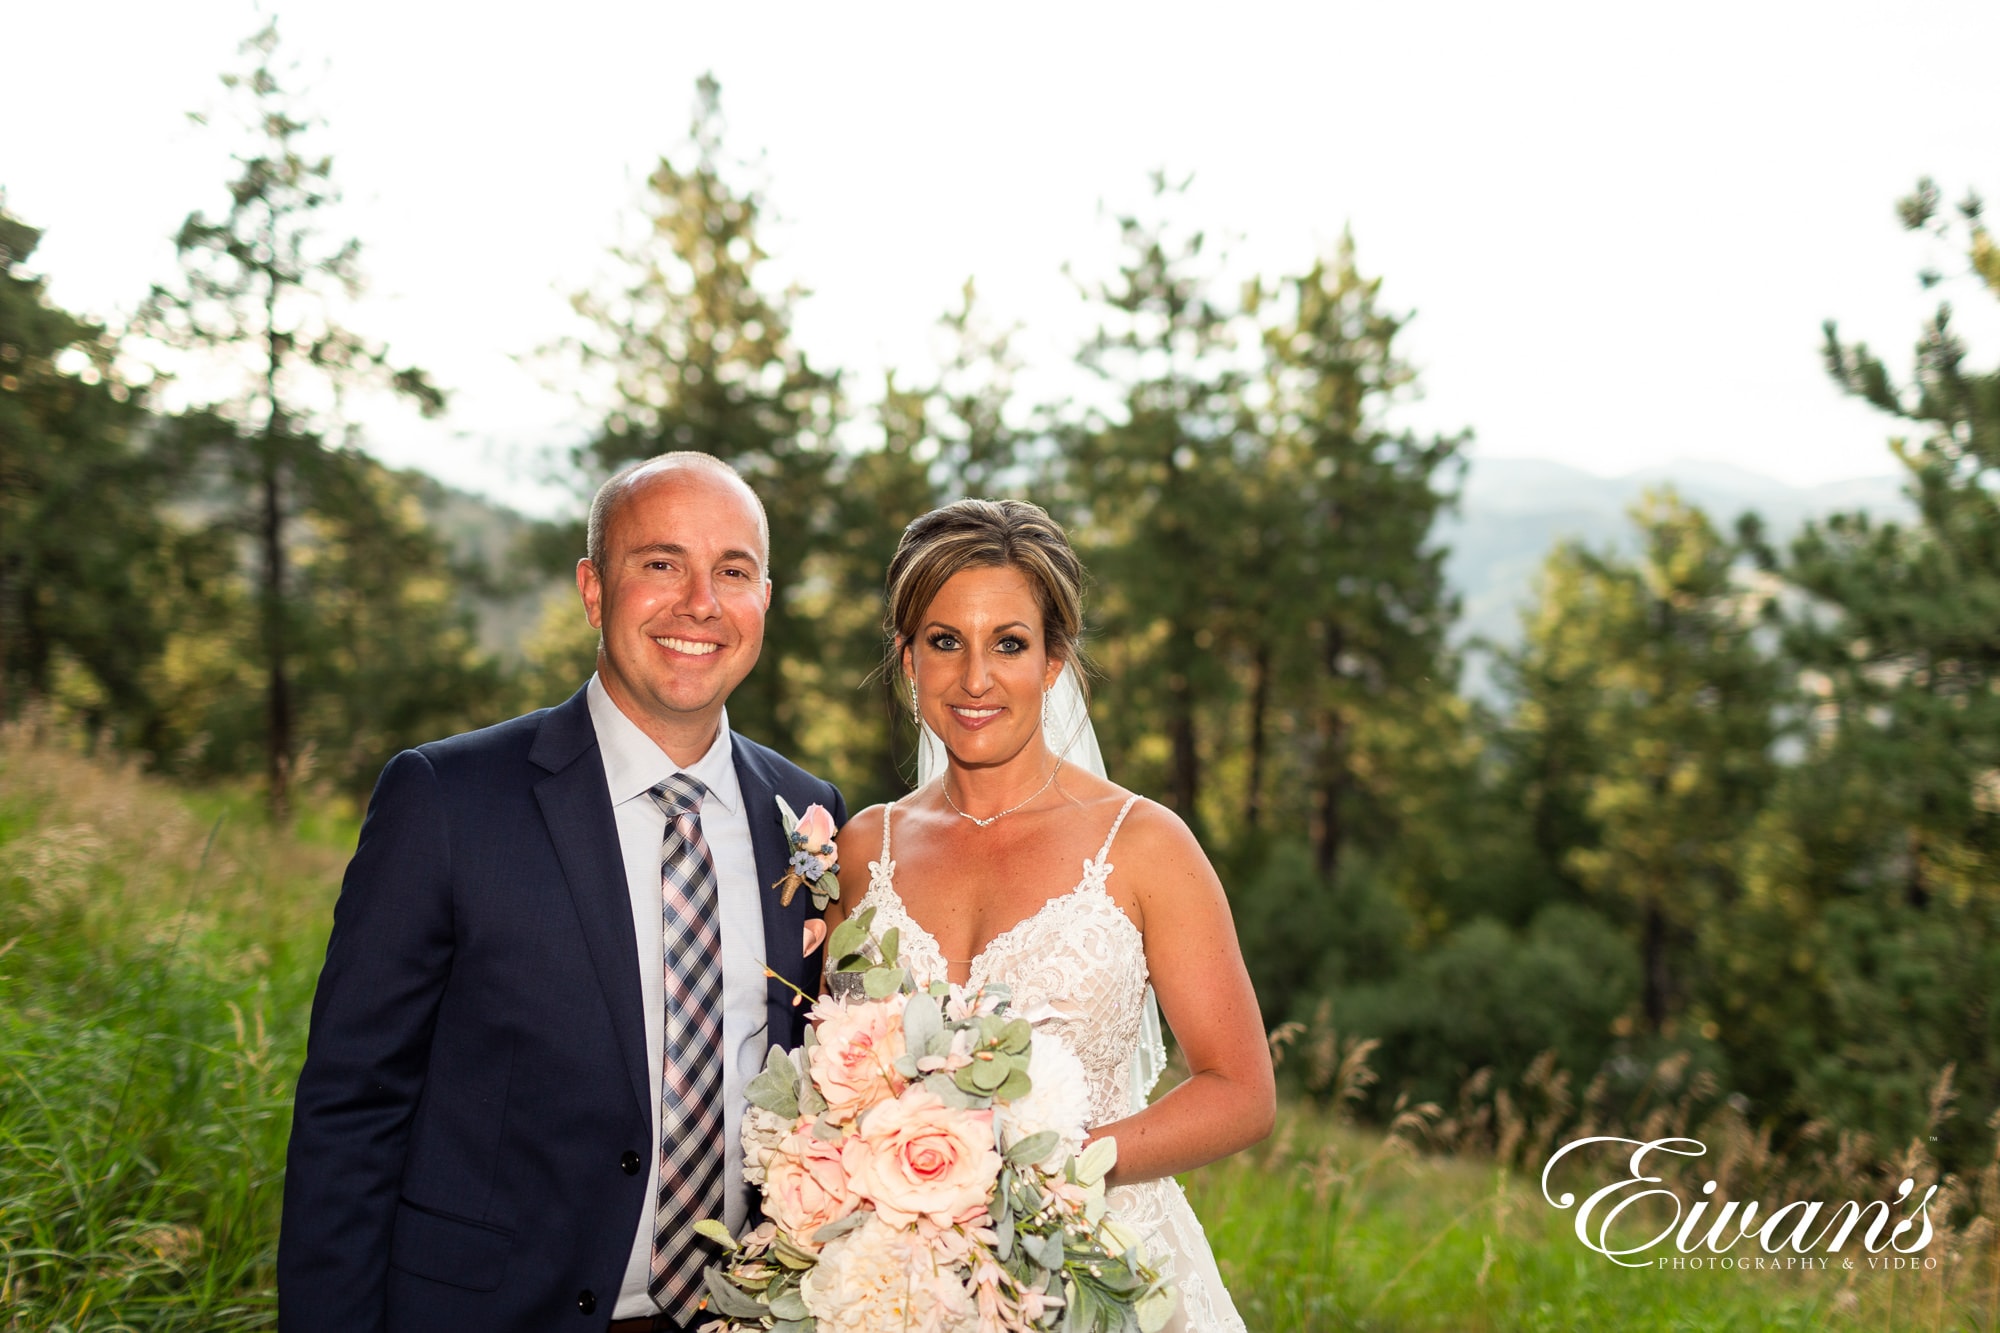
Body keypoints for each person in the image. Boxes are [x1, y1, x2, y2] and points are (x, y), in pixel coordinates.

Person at [278, 453, 844, 1333]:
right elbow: (351, 1112)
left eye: (731, 571)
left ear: (763, 599)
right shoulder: (448, 799)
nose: (700, 600)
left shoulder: (807, 815)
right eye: (660, 563)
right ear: (592, 590)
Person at [825, 498, 1274, 1333]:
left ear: (1055, 659)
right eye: (944, 640)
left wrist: (1047, 1168)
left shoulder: (1143, 844)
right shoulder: (864, 849)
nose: (975, 679)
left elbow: (1242, 1091)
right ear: (906, 656)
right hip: (910, 1285)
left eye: (1010, 643)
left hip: (1107, 1269)